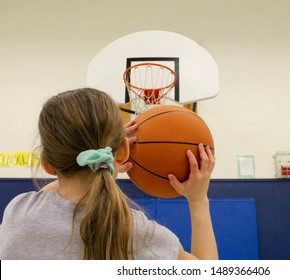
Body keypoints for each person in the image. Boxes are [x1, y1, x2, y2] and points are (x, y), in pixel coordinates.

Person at [0, 88, 217, 260]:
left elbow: (54, 195)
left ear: (46, 164)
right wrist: (198, 198)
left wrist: (101, 160)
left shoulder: (18, 214)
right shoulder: (142, 235)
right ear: (123, 151)